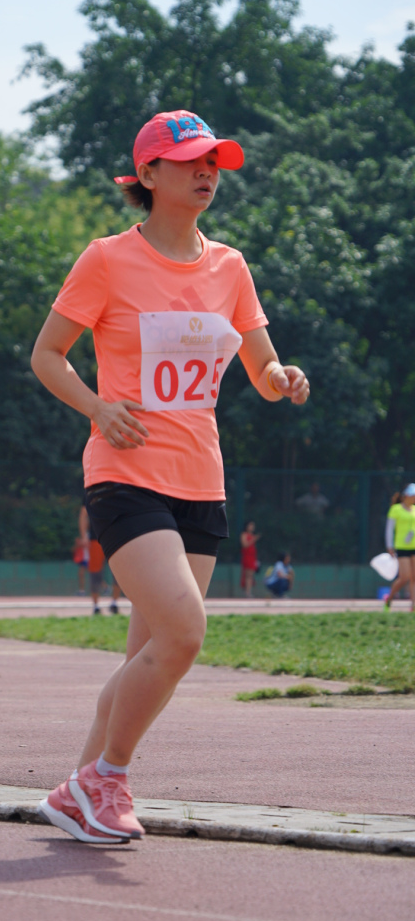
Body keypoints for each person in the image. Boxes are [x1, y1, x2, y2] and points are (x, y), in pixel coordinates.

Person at [30, 109, 310, 844]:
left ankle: (77, 792)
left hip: (202, 483)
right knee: (184, 634)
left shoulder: (231, 267)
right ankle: (108, 778)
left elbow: (259, 365)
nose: (206, 171)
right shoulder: (106, 259)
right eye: (189, 160)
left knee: (144, 658)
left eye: (213, 160)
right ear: (147, 174)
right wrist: (98, 406)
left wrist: (282, 378)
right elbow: (48, 356)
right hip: (126, 473)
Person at [383, 483, 415, 611]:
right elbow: (389, 529)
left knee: (414, 577)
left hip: (414, 546)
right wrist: (389, 546)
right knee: (405, 577)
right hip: (402, 547)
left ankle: (413, 606)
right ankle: (389, 598)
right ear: (406, 496)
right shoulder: (396, 509)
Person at [240, 520, 261, 598]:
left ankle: (248, 591)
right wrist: (253, 539)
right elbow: (244, 545)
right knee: (248, 574)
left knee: (251, 575)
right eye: (250, 525)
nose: (252, 527)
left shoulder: (252, 535)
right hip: (247, 556)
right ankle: (247, 592)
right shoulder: (244, 534)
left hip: (252, 557)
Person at [73, 504, 90, 594]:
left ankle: (105, 587)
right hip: (85, 557)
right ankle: (82, 590)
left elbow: (87, 545)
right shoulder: (84, 535)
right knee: (81, 573)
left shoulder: (90, 535)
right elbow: (75, 548)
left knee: (91, 573)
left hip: (89, 558)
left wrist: (81, 544)